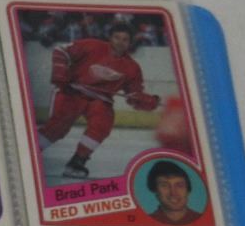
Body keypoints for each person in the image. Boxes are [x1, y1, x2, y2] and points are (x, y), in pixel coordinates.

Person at [35, 18, 160, 179]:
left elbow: (133, 94)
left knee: (103, 123)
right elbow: (61, 51)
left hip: (100, 100)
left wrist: (146, 101)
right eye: (117, 37)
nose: (120, 42)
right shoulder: (92, 45)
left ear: (130, 42)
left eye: (125, 39)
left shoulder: (132, 67)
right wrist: (61, 71)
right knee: (58, 127)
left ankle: (77, 162)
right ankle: (30, 153)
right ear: (110, 38)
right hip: (72, 91)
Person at [144, 158, 203, 226]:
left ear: (188, 191)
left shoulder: (203, 220)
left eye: (179, 185)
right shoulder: (145, 222)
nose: (173, 193)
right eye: (165, 185)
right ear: (156, 191)